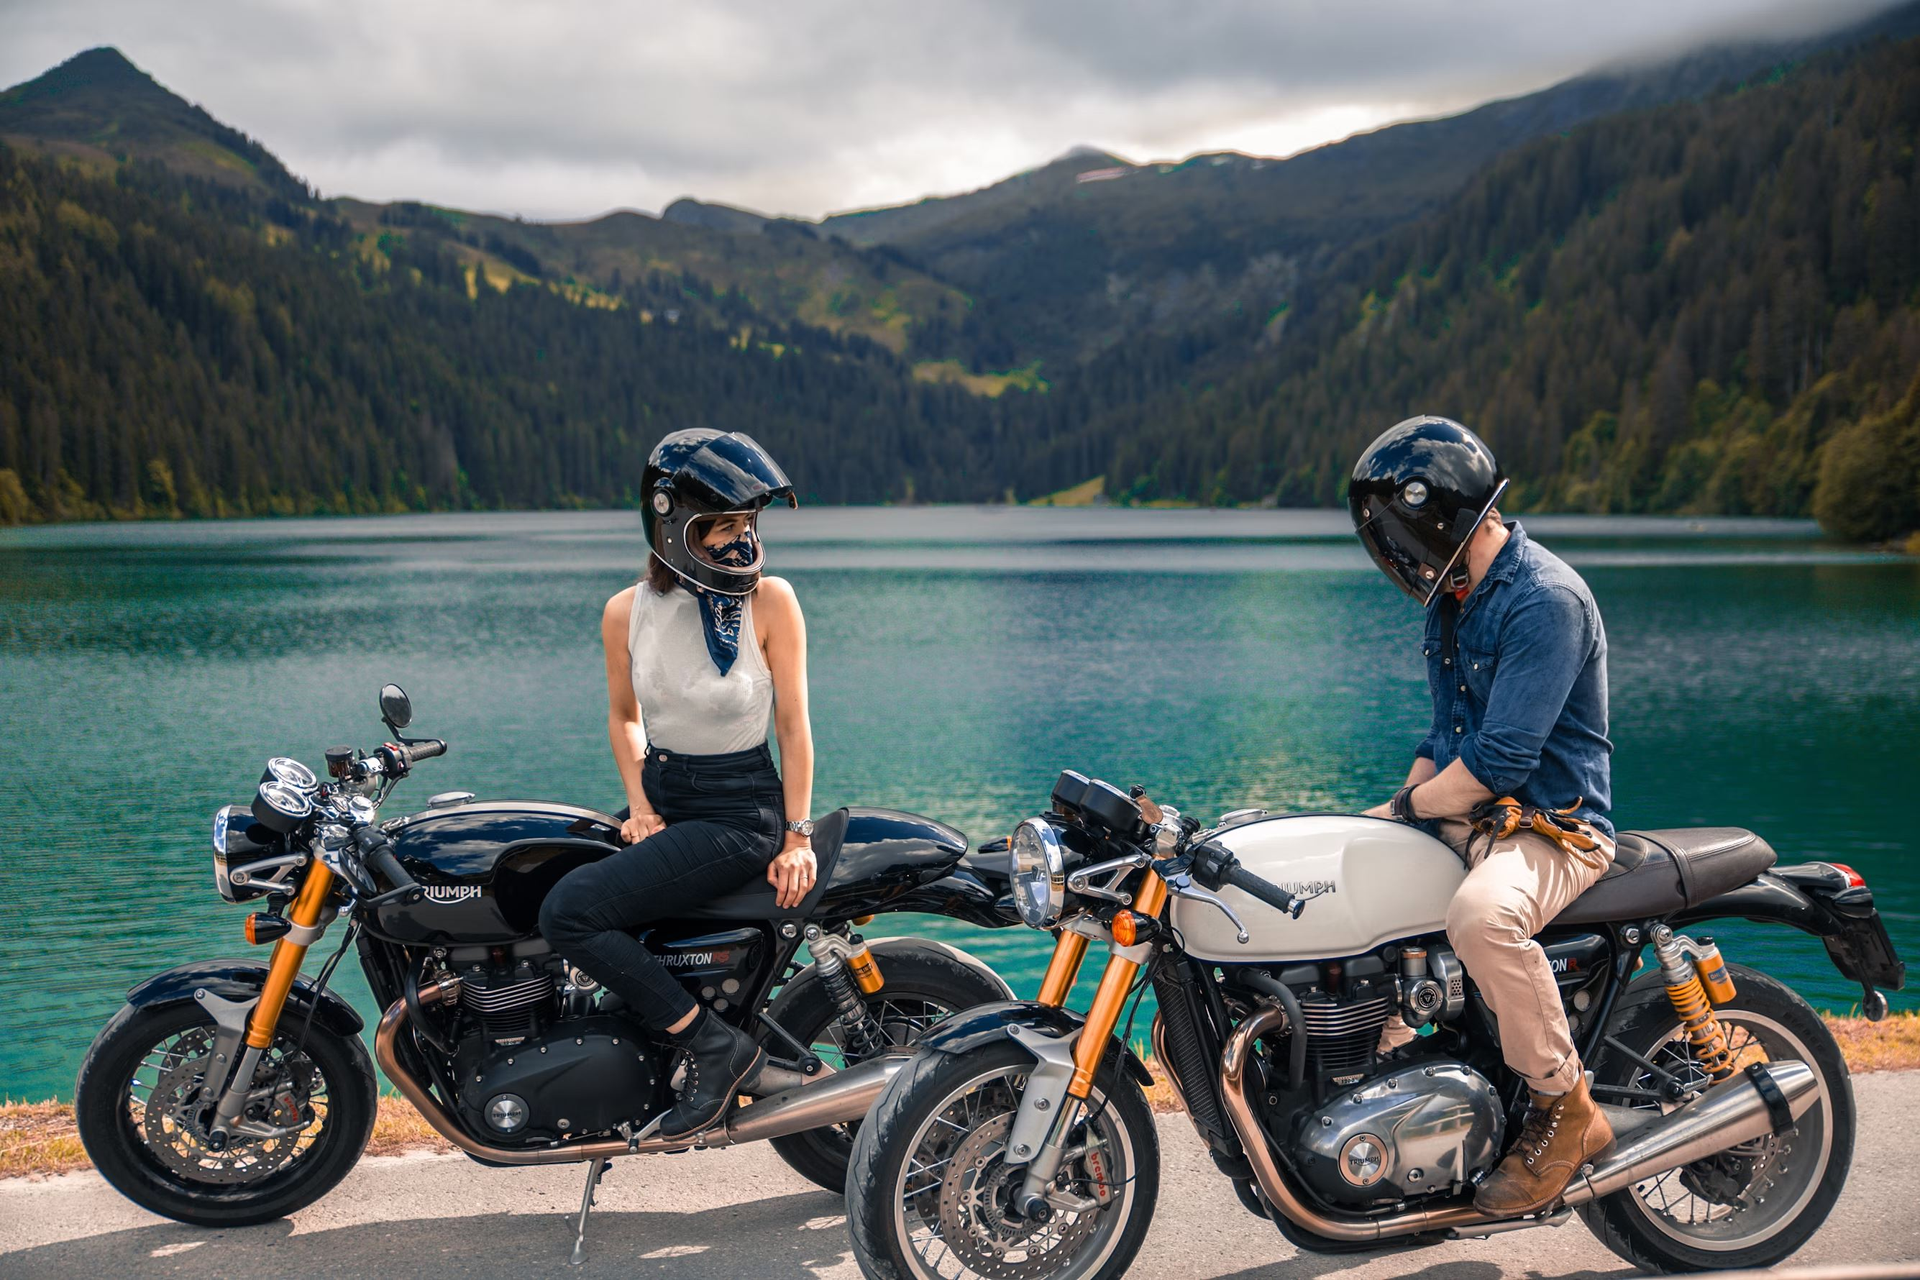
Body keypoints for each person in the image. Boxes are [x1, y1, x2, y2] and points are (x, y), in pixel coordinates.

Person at [1351, 415, 1616, 1216]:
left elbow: (1501, 761)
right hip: (1477, 817)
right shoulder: (1454, 598)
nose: (1394, 553)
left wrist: (1407, 807)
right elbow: (1443, 740)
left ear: (1438, 515)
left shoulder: (1546, 600)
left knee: (1480, 918)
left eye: (1396, 532)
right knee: (1344, 881)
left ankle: (1565, 1109)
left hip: (1555, 828)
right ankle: (1372, 1076)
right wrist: (1378, 825)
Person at [540, 428, 818, 1140]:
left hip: (738, 808)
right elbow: (624, 717)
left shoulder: (771, 601)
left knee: (569, 913)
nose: (738, 542)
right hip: (664, 797)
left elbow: (793, 728)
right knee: (534, 876)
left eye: (745, 525)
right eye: (720, 526)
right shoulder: (624, 612)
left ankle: (715, 1049)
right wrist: (638, 802)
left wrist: (795, 835)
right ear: (671, 527)